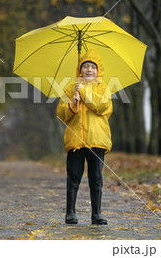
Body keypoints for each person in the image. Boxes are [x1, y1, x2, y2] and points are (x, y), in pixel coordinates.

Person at [56, 48, 113, 225]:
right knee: (73, 177)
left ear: (99, 71)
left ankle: (96, 214)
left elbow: (101, 106)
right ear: (79, 70)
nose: (89, 70)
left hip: (97, 140)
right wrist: (72, 103)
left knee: (96, 178)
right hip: (76, 141)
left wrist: (84, 93)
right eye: (85, 66)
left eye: (93, 67)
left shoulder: (103, 89)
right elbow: (61, 114)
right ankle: (70, 213)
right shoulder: (71, 88)